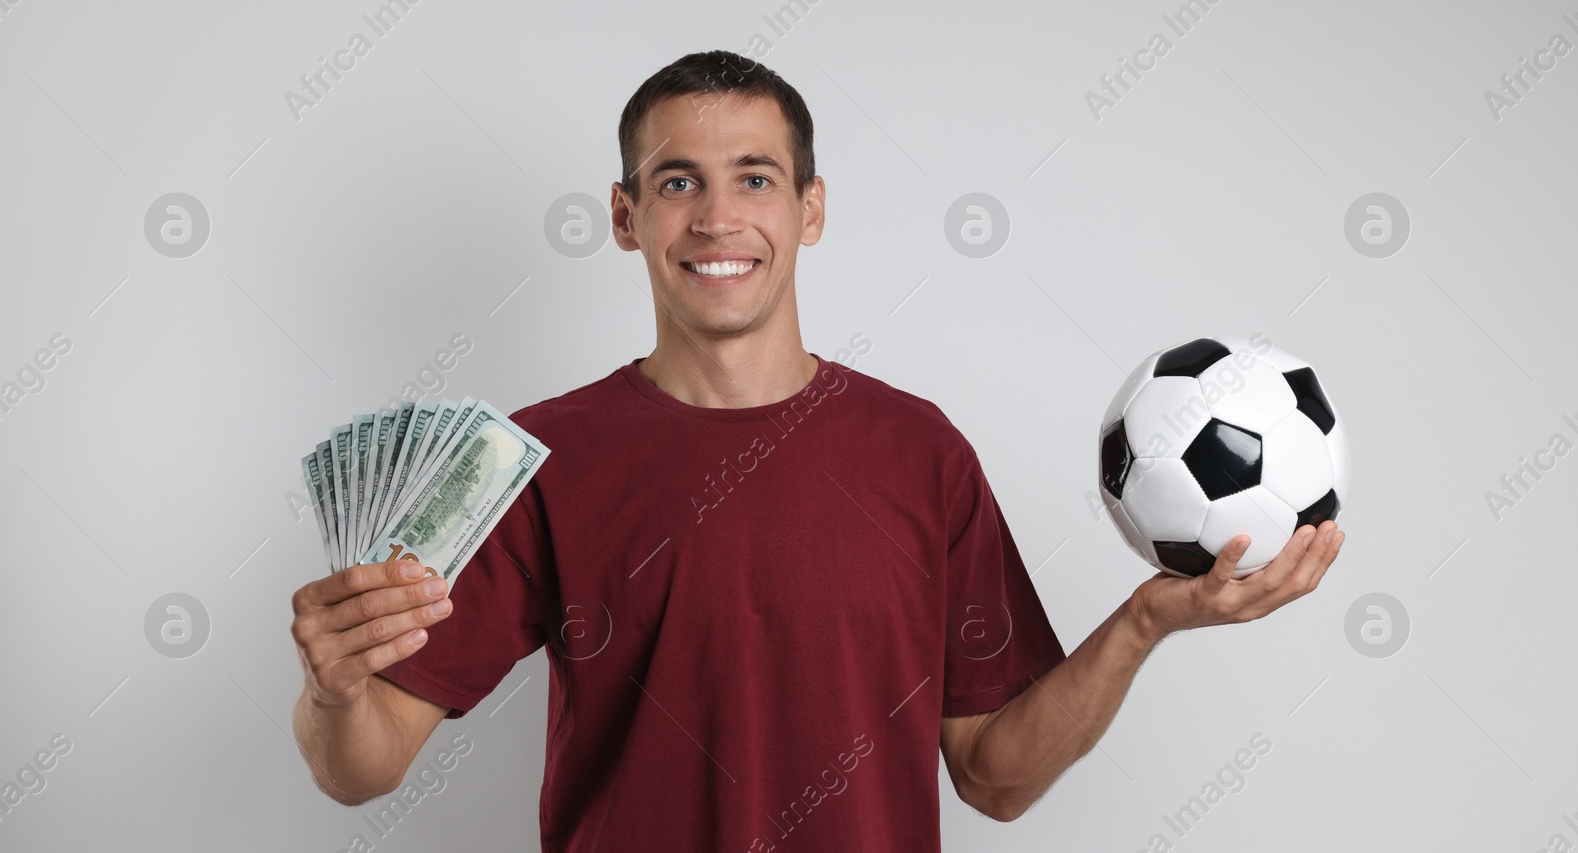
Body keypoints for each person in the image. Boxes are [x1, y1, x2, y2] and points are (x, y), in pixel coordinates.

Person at [289, 50, 1344, 851]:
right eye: (674, 182)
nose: (716, 218)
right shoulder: (542, 460)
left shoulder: (917, 451)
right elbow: (364, 768)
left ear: (809, 208)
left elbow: (994, 776)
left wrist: (1145, 619)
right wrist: (333, 693)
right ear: (623, 215)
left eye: (753, 179)